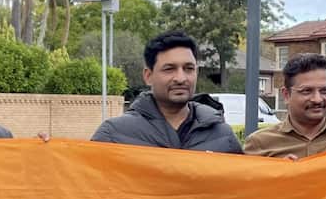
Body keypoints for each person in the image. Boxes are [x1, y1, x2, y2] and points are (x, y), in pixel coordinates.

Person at [91, 31, 242, 153]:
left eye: (188, 69)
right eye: (169, 69)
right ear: (148, 76)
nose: (181, 78)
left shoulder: (223, 136)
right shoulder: (114, 135)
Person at [243, 53, 326, 159]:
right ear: (286, 95)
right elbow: (246, 183)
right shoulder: (259, 144)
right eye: (307, 91)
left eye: (324, 91)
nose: (317, 99)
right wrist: (276, 174)